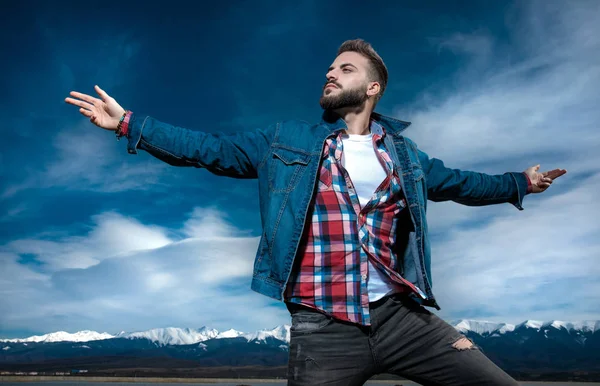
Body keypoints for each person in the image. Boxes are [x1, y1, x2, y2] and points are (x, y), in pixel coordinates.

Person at [65, 39, 566, 386]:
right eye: (330, 68)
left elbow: (463, 183)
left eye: (346, 68)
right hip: (323, 327)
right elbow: (208, 148)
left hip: (401, 318)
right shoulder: (286, 141)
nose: (331, 73)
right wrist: (130, 123)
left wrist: (522, 182)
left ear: (373, 88)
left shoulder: (407, 157)